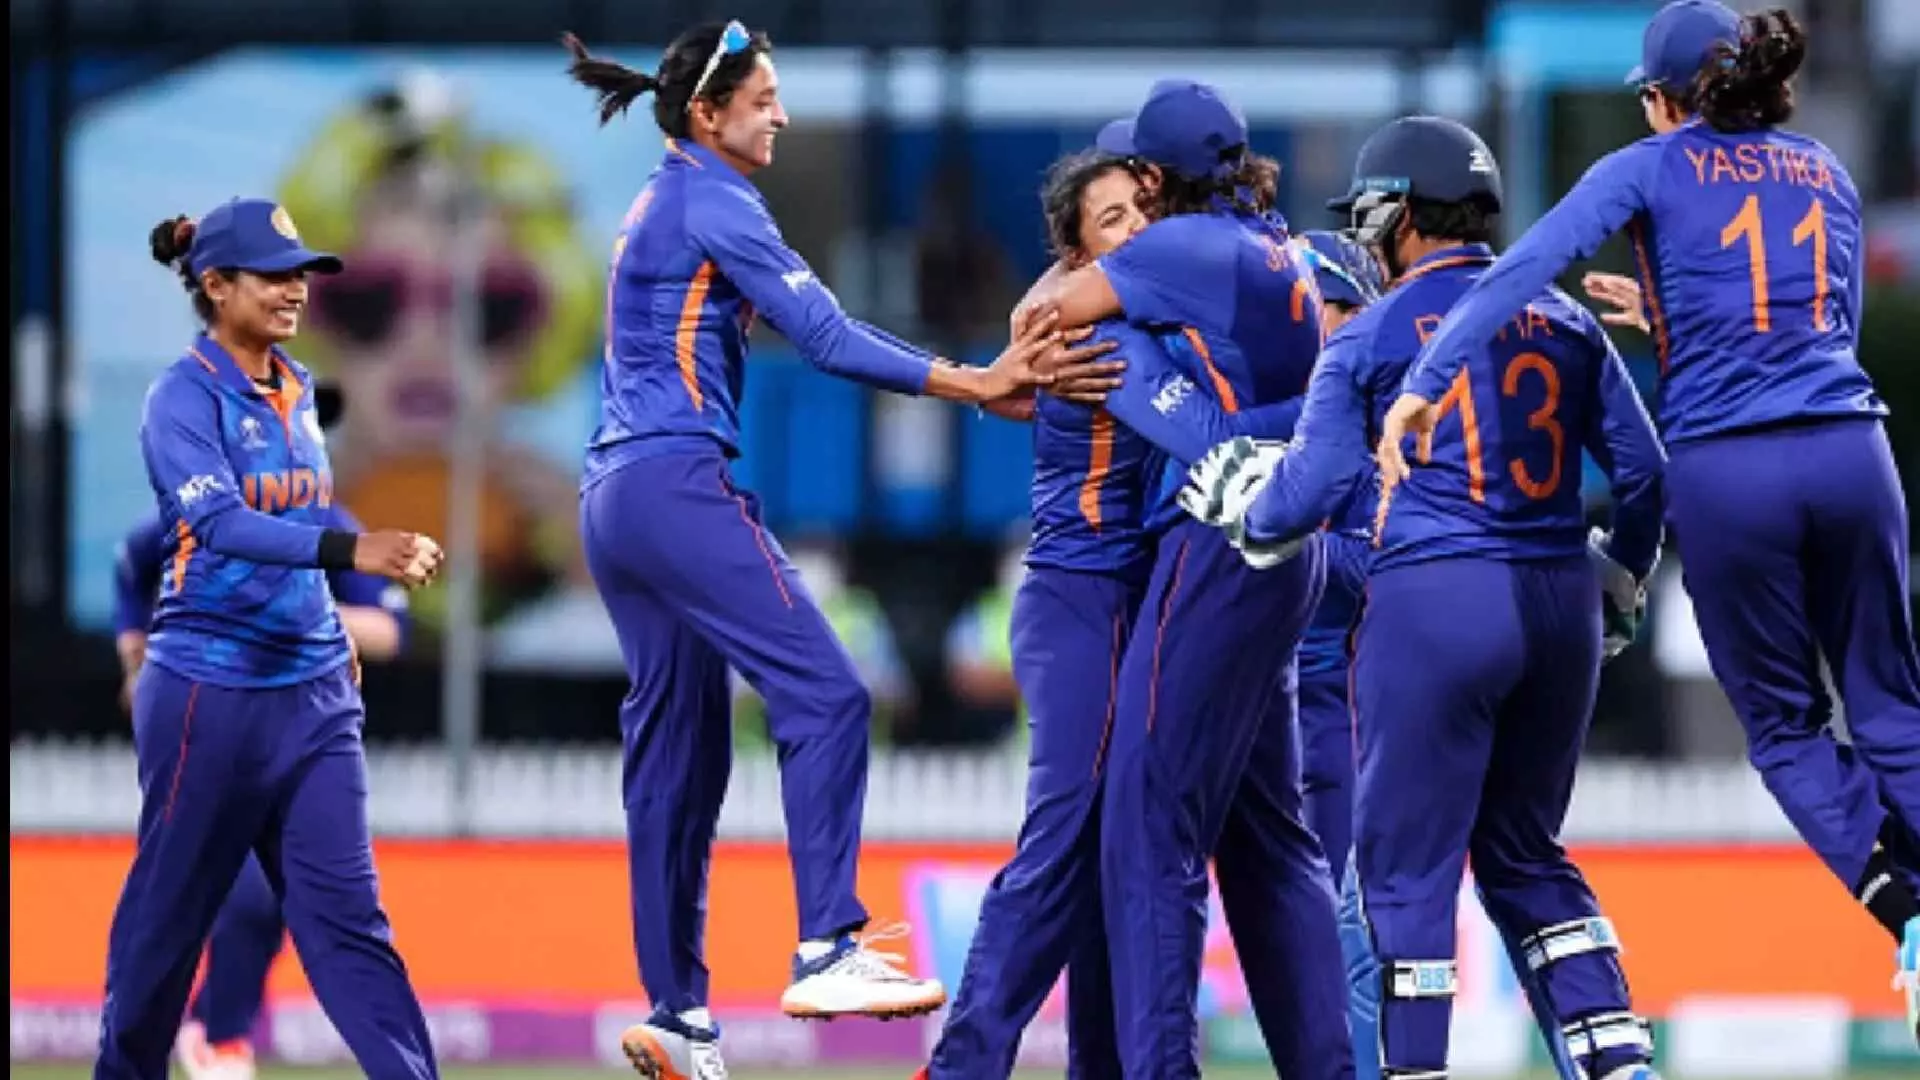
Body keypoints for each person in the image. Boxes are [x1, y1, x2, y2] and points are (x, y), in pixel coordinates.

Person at [558, 22, 1122, 1078]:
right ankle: (829, 945)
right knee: (828, 695)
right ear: (706, 114)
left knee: (677, 755)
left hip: (613, 498)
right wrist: (974, 381)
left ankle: (677, 1014)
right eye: (762, 98)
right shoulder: (717, 199)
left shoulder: (658, 200)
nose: (780, 114)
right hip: (676, 482)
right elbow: (822, 335)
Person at [1375, 2, 1920, 1030]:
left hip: (1730, 471)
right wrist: (1672, 316)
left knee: (1787, 731)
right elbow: (1817, 331)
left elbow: (1520, 272)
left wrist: (1424, 382)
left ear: (1666, 100)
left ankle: (1908, 912)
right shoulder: (1825, 170)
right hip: (1854, 452)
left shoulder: (1649, 166)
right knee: (1893, 710)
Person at [1182, 114, 1668, 1080]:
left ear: (1401, 213)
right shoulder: (1565, 319)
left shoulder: (1368, 333)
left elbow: (1306, 497)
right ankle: (1617, 1061)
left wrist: (1242, 505)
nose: (1362, 236)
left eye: (1368, 215)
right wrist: (1621, 571)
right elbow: (1646, 473)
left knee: (1404, 876)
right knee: (1528, 857)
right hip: (1560, 607)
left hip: (1435, 604)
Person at [922, 149, 1315, 1080]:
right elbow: (1216, 437)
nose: (1137, 230)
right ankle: (963, 1064)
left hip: (1142, 595)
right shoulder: (1097, 330)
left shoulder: (1155, 309)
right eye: (1112, 221)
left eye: (1144, 209)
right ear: (1075, 253)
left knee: (1124, 848)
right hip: (1082, 596)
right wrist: (1346, 400)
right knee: (1068, 836)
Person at [1022, 81, 1349, 1079]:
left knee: (1144, 828)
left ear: (1154, 180)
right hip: (1286, 545)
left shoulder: (1178, 250)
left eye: (1133, 197)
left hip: (1210, 546)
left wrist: (1093, 345)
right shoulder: (1288, 249)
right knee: (1271, 842)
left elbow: (1040, 314)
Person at [95, 199, 443, 1080]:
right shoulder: (180, 398)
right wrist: (352, 553)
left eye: (302, 275)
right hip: (206, 696)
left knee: (351, 927)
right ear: (216, 285)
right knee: (166, 932)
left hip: (313, 697)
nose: (296, 290)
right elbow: (219, 526)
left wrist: (324, 620)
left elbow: (294, 515)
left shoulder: (295, 386)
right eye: (274, 275)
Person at [109, 383, 413, 1080]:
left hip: (297, 728)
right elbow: (130, 569)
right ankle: (201, 1034)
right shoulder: (198, 515)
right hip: (205, 721)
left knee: (270, 895)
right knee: (214, 890)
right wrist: (133, 661)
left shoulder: (332, 527)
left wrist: (307, 614)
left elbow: (390, 630)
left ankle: (217, 1033)